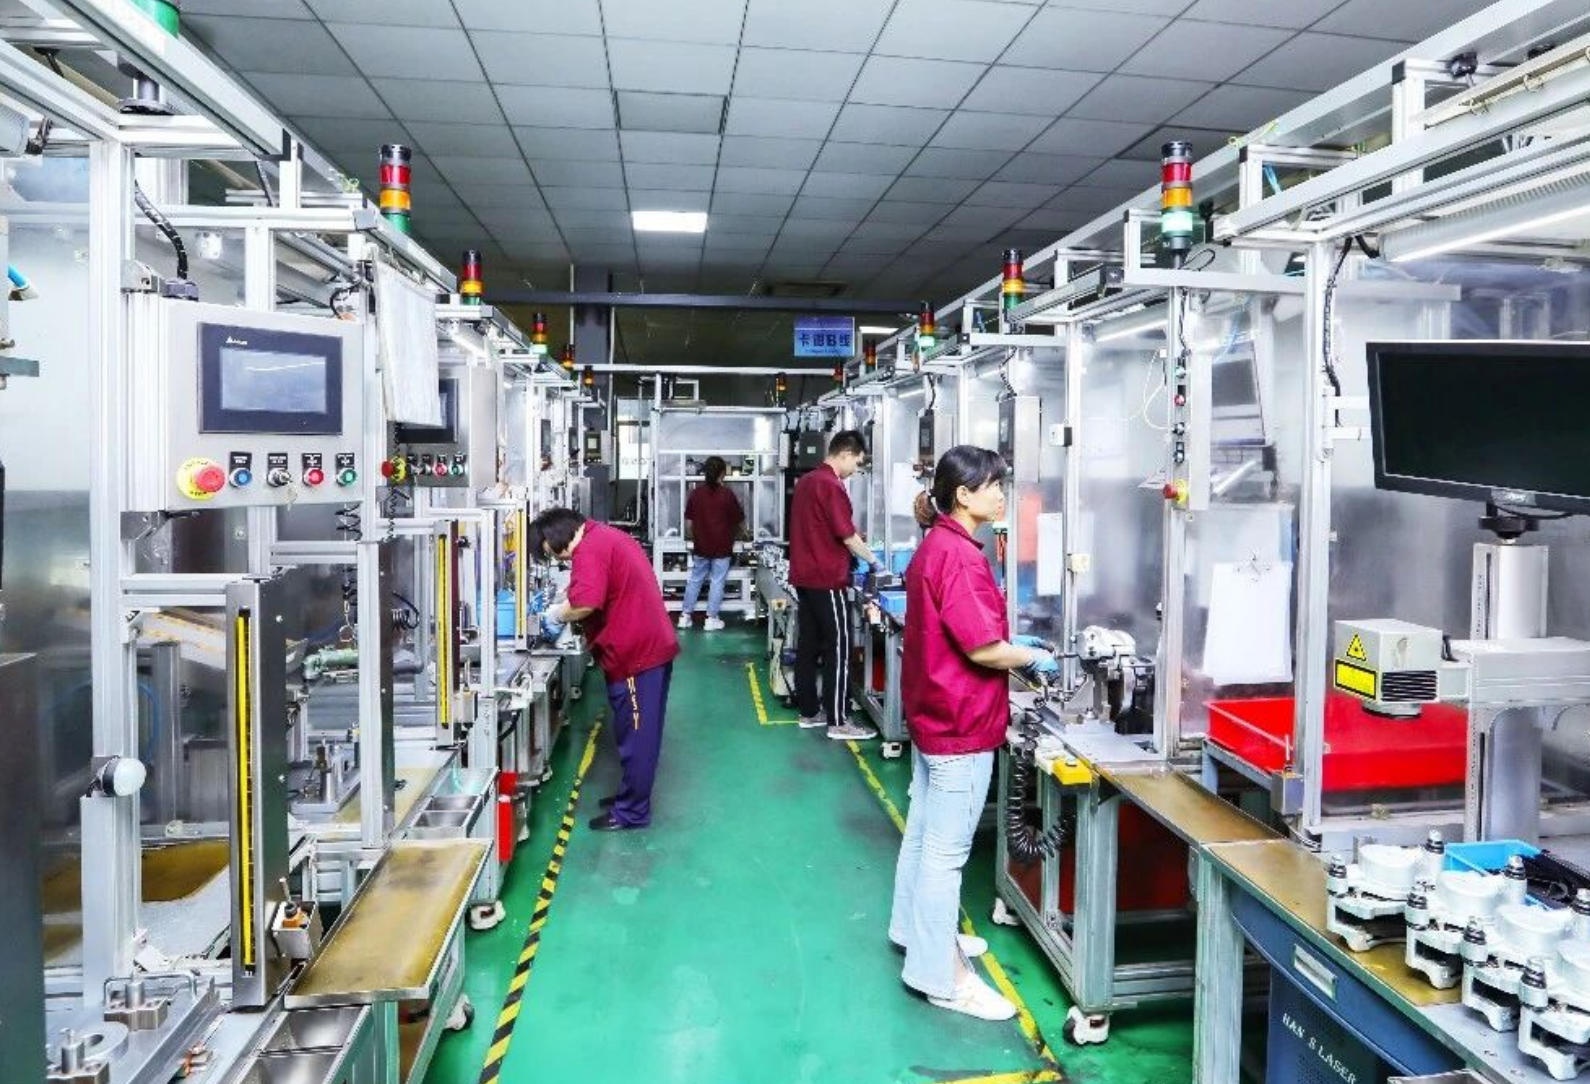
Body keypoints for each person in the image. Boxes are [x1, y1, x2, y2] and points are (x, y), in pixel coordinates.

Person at [887, 446, 1058, 1021]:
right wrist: (1030, 657)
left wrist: (1013, 646)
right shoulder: (959, 557)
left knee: (922, 835)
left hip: (933, 716)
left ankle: (914, 932)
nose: (1002, 494)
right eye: (994, 485)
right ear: (963, 494)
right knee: (945, 853)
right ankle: (942, 977)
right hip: (960, 722)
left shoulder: (938, 545)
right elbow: (982, 648)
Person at [529, 508, 679, 831]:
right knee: (632, 731)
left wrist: (557, 615)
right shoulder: (602, 537)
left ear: (555, 537)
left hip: (637, 655)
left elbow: (586, 602)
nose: (555, 559)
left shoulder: (590, 549)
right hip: (643, 648)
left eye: (549, 552)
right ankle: (630, 796)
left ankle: (632, 812)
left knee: (638, 737)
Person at [788, 430, 886, 741]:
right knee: (839, 646)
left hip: (804, 576)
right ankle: (838, 720)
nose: (855, 470)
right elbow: (846, 535)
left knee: (808, 645)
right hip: (826, 578)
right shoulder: (831, 485)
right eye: (856, 463)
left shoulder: (807, 481)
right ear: (845, 454)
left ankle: (809, 712)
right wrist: (874, 561)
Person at [679, 455, 745, 632]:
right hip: (722, 547)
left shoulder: (696, 494)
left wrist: (694, 537)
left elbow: (689, 523)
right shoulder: (727, 495)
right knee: (717, 582)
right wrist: (744, 534)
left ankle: (685, 616)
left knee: (695, 580)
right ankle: (711, 618)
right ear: (722, 473)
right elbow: (738, 520)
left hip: (701, 546)